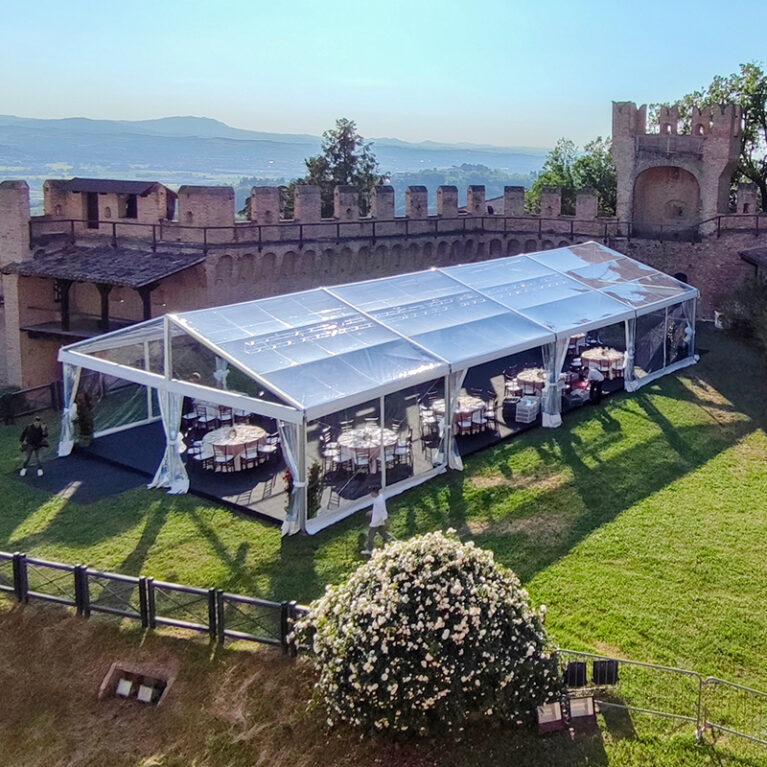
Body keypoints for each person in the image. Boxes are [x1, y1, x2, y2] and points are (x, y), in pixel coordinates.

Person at [361, 488, 395, 555]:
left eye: (371, 493)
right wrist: (372, 512)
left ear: (374, 493)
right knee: (382, 532)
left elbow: (383, 511)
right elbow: (377, 508)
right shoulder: (380, 496)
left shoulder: (379, 501)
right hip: (379, 520)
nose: (370, 494)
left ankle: (370, 549)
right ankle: (393, 541)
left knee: (371, 534)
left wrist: (386, 521)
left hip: (376, 521)